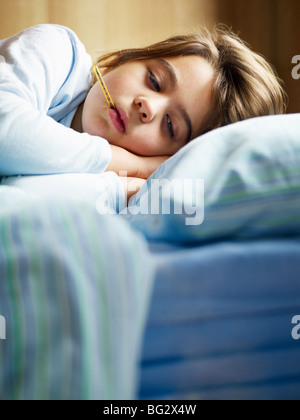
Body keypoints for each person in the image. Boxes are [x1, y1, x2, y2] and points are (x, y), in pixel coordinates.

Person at [0, 24, 287, 202]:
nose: (148, 106)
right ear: (126, 58)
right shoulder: (59, 49)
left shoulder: (124, 193)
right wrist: (128, 163)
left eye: (171, 126)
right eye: (154, 80)